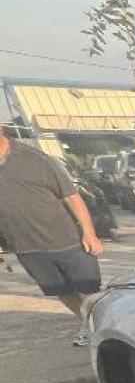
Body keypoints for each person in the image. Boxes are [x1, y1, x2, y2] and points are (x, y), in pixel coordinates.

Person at [0, 129, 106, 346]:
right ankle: (87, 324)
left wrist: (89, 233)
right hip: (26, 246)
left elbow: (72, 196)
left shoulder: (36, 159)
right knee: (61, 291)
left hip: (66, 241)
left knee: (90, 291)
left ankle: (107, 329)